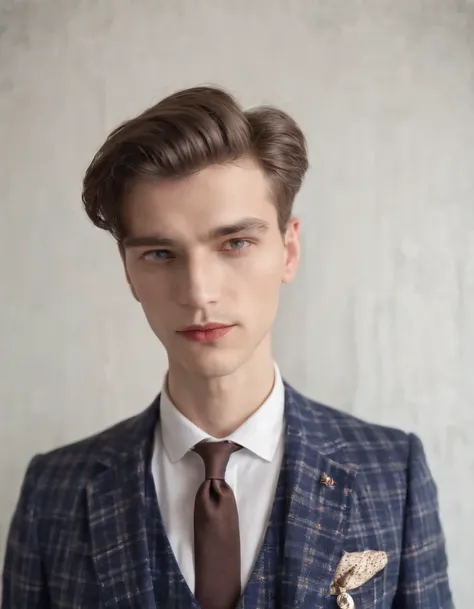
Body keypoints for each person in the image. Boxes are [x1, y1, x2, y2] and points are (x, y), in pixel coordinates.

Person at [2, 85, 453, 609]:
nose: (199, 292)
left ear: (288, 250)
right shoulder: (53, 492)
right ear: (128, 271)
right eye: (160, 253)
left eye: (234, 243)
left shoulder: (393, 473)